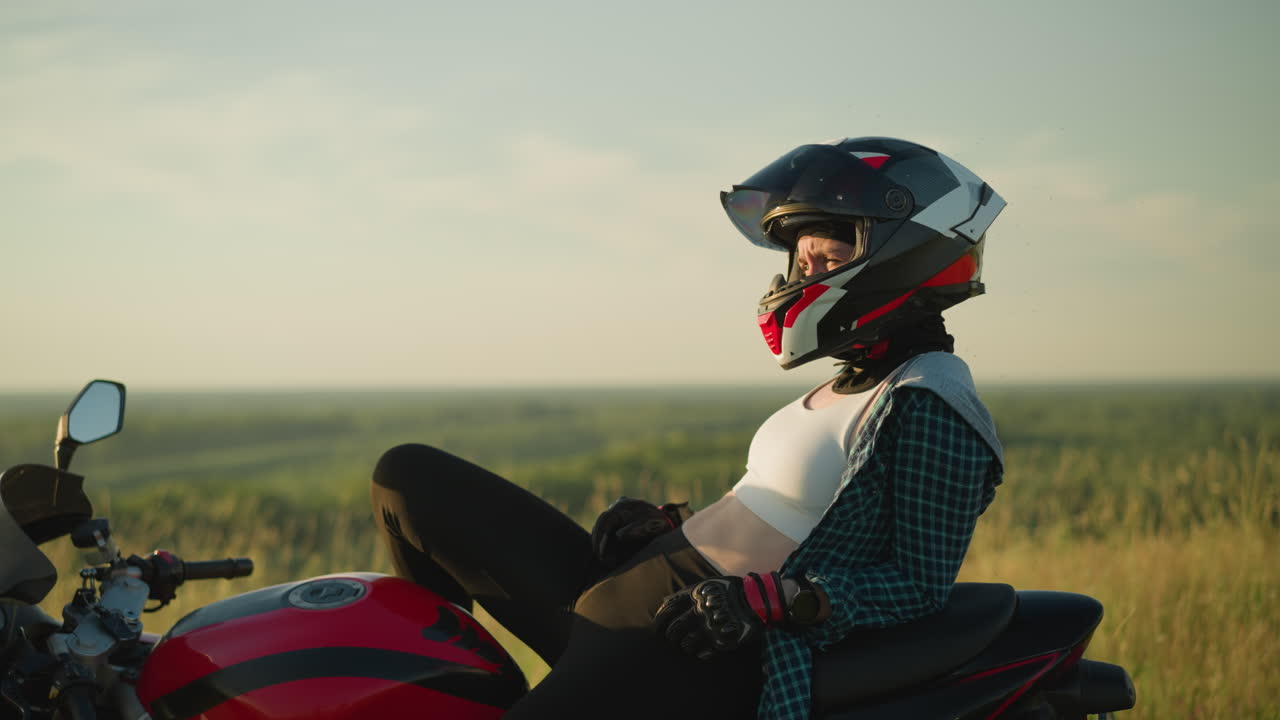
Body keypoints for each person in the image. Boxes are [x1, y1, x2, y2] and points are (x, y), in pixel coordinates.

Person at [369, 136, 1007, 719]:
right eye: (800, 260)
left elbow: (919, 585)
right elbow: (778, 513)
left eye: (827, 258)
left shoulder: (930, 398)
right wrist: (669, 524)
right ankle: (436, 678)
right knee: (405, 478)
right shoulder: (853, 382)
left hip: (686, 647)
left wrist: (773, 602)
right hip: (624, 595)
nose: (802, 276)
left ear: (905, 258)